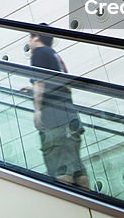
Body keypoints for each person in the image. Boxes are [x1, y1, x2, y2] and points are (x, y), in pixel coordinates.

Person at [28, 29, 90, 189]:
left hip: (55, 120)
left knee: (61, 171)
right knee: (78, 172)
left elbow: (40, 83)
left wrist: (38, 110)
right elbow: (63, 86)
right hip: (70, 117)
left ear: (36, 37)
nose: (29, 42)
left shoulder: (39, 53)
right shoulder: (55, 55)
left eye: (30, 37)